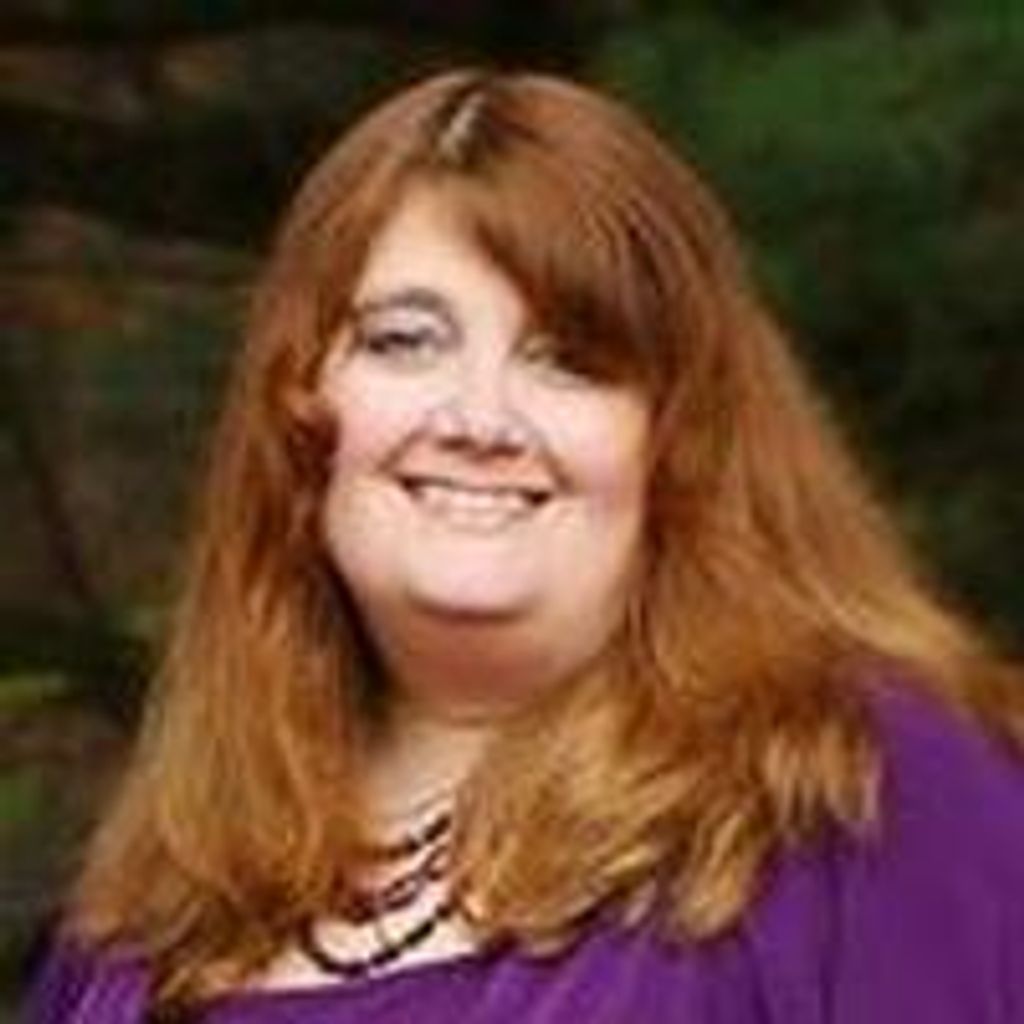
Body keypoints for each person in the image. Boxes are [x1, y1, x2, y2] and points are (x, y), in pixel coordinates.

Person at [28, 68, 1024, 1023]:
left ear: (680, 437)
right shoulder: (160, 900)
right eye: (406, 341)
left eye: (569, 359)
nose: (478, 418)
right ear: (301, 405)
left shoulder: (858, 794)